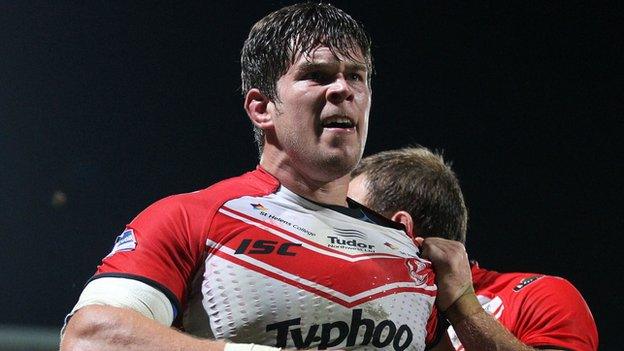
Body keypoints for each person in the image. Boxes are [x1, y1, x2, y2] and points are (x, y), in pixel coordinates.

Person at [60, 4, 438, 351]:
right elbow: (90, 336)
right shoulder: (192, 217)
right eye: (316, 76)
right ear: (262, 108)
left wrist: (464, 304)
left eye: (356, 76)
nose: (342, 89)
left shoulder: (406, 248)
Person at [348, 146, 598, 351]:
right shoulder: (353, 315)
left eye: (349, 219)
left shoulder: (540, 297)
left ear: (402, 228)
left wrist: (461, 305)